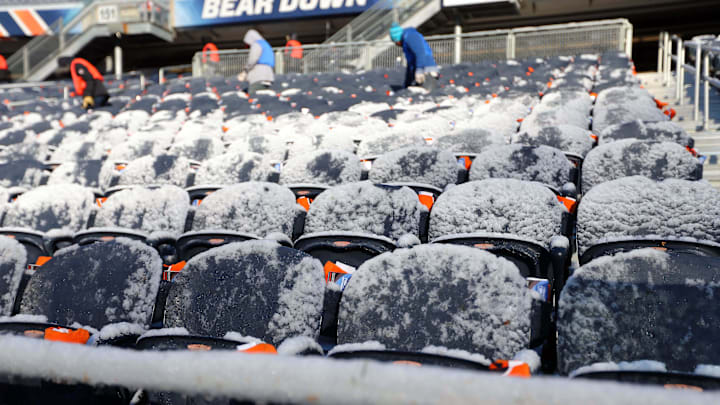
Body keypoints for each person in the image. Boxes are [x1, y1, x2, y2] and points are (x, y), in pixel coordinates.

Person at [389, 23, 438, 91]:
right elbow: (410, 65)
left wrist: (420, 70)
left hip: (427, 70)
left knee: (427, 94)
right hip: (419, 70)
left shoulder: (410, 36)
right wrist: (406, 84)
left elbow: (420, 53)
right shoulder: (406, 42)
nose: (396, 44)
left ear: (397, 38)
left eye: (395, 42)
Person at [237, 29, 274, 95]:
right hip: (268, 76)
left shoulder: (256, 44)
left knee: (253, 95)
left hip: (258, 76)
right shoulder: (265, 44)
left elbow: (252, 60)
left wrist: (245, 70)